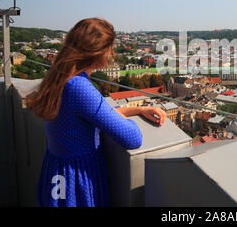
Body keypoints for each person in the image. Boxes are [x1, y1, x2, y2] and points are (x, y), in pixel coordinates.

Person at [25, 18, 166, 207]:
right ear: (98, 53)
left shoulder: (61, 76)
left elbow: (95, 113)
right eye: (110, 49)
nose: (111, 54)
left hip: (58, 171)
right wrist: (124, 118)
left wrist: (138, 109)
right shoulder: (79, 87)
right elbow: (132, 138)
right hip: (77, 178)